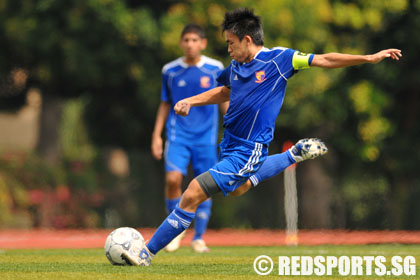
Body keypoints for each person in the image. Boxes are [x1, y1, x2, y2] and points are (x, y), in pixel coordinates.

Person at [124, 8, 402, 266]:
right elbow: (223, 91)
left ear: (246, 40)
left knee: (193, 191)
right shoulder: (234, 67)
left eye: (231, 43)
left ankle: (146, 252)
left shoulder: (280, 59)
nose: (228, 49)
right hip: (229, 144)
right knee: (237, 189)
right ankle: (293, 155)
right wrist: (190, 101)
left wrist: (368, 57)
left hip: (249, 149)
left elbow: (324, 59)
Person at [151, 24, 227, 253]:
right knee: (173, 179)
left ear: (203, 43)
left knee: (205, 185)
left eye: (195, 40)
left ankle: (199, 237)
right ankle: (176, 230)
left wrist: (235, 126)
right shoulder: (170, 71)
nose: (190, 44)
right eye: (186, 40)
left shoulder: (215, 68)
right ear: (181, 43)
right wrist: (156, 136)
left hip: (205, 138)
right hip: (178, 137)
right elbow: (165, 103)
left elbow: (224, 99)